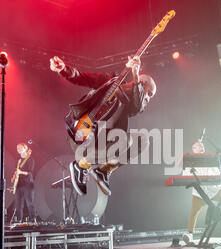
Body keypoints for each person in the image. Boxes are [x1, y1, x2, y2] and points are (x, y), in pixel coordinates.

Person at [50, 55, 156, 196]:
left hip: (103, 145)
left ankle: (103, 171)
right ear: (142, 83)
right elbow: (83, 78)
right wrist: (64, 69)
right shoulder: (110, 82)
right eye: (149, 93)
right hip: (82, 136)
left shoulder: (133, 104)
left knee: (142, 140)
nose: (147, 99)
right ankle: (80, 166)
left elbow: (138, 106)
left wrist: (135, 75)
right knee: (125, 140)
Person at [182, 140, 221, 244]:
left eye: (201, 144)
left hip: (213, 190)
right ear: (193, 149)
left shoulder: (211, 159)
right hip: (200, 192)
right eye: (197, 145)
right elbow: (185, 176)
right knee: (194, 212)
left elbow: (219, 174)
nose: (200, 145)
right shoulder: (189, 160)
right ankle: (190, 235)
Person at [11, 142, 36, 223]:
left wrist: (20, 172)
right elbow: (16, 171)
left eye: (20, 148)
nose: (19, 149)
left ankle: (33, 220)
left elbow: (30, 172)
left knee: (29, 203)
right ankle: (19, 221)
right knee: (18, 205)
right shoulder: (18, 160)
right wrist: (13, 177)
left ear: (26, 148)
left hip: (28, 184)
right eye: (17, 148)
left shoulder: (30, 159)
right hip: (19, 185)